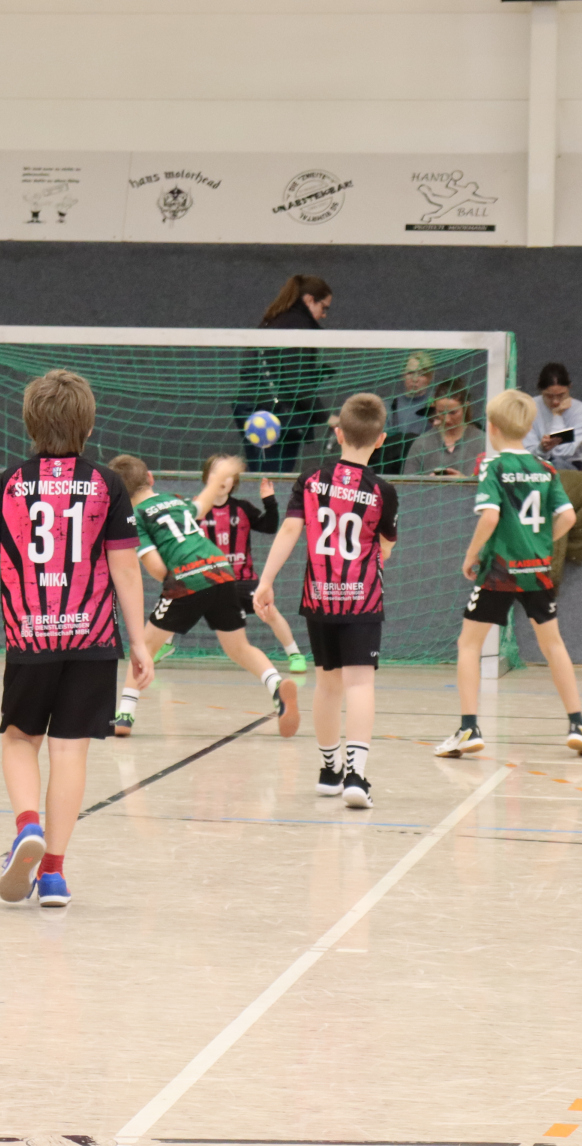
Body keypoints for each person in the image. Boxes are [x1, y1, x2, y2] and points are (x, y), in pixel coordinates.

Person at [0, 369, 153, 908]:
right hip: (92, 639)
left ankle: (28, 825)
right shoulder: (107, 485)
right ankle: (52, 875)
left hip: (31, 637)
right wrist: (139, 641)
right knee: (70, 751)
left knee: (20, 738)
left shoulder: (11, 482)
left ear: (29, 424)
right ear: (88, 427)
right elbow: (126, 569)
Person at [435, 390, 582, 760]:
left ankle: (468, 728)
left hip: (500, 570)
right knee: (553, 644)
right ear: (528, 429)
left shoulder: (492, 467)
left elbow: (490, 516)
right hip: (536, 569)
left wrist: (471, 553)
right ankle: (579, 726)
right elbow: (568, 517)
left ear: (492, 428)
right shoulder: (546, 469)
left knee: (469, 645)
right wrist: (539, 543)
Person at [254, 393, 398, 809]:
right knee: (360, 683)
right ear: (381, 439)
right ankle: (356, 776)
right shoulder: (383, 490)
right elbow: (386, 547)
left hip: (319, 596)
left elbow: (289, 530)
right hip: (361, 599)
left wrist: (266, 581)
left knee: (327, 683)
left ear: (338, 433)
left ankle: (329, 769)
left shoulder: (311, 479)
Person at [107, 454, 299, 739]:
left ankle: (125, 714)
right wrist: (220, 475)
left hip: (187, 575)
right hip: (221, 569)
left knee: (144, 645)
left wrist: (173, 584)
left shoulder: (134, 518)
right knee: (238, 647)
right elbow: (204, 502)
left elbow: (155, 566)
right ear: (150, 478)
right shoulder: (174, 501)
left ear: (118, 495)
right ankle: (276, 687)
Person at [194, 453, 306, 673]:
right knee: (179, 601)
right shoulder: (197, 511)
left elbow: (269, 526)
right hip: (212, 581)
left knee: (270, 611)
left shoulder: (242, 508)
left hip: (243, 581)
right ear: (207, 477)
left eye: (227, 474)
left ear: (234, 481)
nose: (222, 479)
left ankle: (294, 653)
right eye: (216, 473)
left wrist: (269, 501)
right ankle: (164, 644)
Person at [242, 274, 332, 471]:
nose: (324, 315)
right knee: (274, 477)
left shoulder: (273, 320)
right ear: (309, 300)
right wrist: (327, 417)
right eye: (324, 307)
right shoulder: (297, 325)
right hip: (274, 414)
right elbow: (297, 381)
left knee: (263, 476)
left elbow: (249, 369)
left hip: (252, 408)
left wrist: (316, 375)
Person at [375, 351, 436, 475]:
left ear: (430, 377)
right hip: (395, 468)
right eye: (410, 373)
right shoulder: (389, 406)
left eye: (421, 374)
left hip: (425, 466)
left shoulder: (436, 406)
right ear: (403, 374)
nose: (415, 379)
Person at [525, 363, 582, 471]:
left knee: (558, 464)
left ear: (569, 387)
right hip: (537, 463)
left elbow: (563, 452)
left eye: (561, 395)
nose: (555, 401)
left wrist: (557, 415)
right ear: (541, 391)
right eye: (549, 396)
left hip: (573, 463)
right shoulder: (528, 408)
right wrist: (542, 449)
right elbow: (528, 451)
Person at [402, 385, 481, 477]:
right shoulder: (422, 443)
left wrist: (464, 482)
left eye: (453, 412)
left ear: (465, 407)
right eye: (441, 412)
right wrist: (428, 482)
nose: (447, 419)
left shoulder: (482, 442)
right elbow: (408, 483)